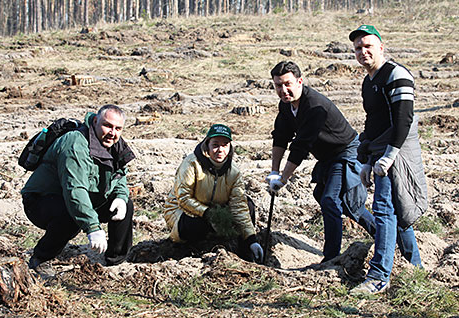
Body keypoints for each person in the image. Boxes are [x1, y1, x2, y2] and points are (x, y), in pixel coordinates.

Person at [267, 60, 377, 263]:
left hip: (345, 151)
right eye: (278, 85)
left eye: (288, 84)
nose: (283, 90)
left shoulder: (314, 106)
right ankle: (382, 236)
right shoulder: (286, 106)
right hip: (327, 156)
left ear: (300, 81)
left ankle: (331, 258)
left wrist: (283, 179)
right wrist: (274, 172)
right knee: (337, 201)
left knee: (330, 200)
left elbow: (301, 146)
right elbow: (281, 137)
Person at [349, 25, 427, 295]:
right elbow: (373, 122)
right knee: (396, 209)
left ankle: (379, 275)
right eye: (358, 47)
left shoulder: (396, 75)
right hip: (380, 150)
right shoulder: (369, 82)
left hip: (398, 149)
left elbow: (404, 119)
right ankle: (415, 269)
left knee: (384, 210)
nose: (363, 51)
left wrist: (390, 156)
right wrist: (367, 159)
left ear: (381, 47)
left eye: (368, 46)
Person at [21, 104, 136, 277]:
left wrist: (120, 196)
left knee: (125, 204)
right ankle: (40, 259)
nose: (113, 132)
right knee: (70, 215)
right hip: (41, 200)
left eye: (118, 128)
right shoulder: (75, 143)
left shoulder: (114, 143)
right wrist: (93, 227)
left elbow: (119, 174)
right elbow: (75, 190)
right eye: (108, 126)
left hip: (83, 196)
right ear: (95, 121)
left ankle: (115, 261)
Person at [163, 124, 264, 263]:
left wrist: (251, 239)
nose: (220, 150)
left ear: (230, 148)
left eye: (225, 145)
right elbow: (183, 198)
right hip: (183, 211)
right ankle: (187, 253)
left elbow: (239, 207)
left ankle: (245, 252)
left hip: (214, 211)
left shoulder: (233, 173)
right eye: (215, 145)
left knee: (248, 205)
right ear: (207, 145)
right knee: (196, 225)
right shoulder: (192, 163)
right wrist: (209, 214)